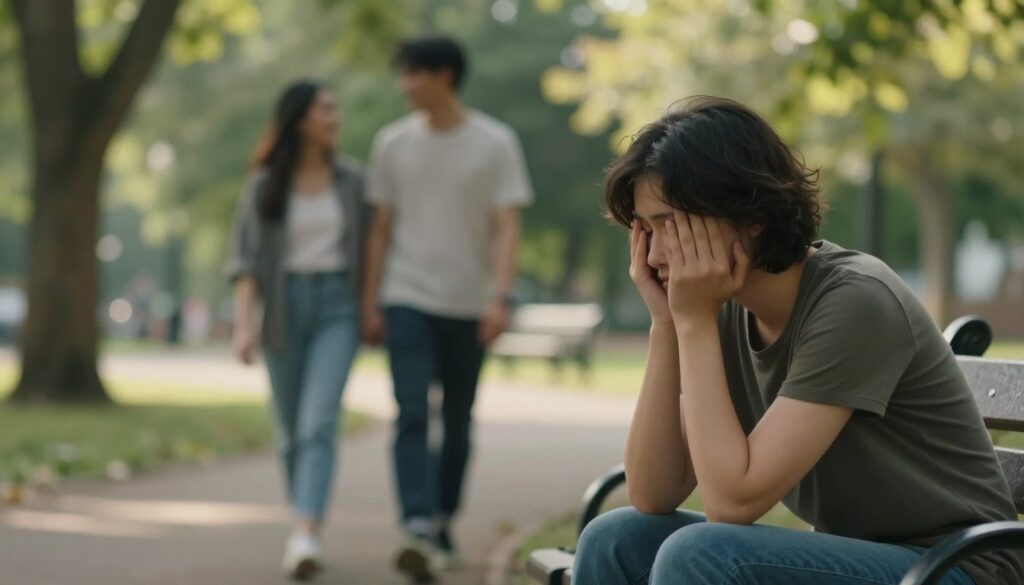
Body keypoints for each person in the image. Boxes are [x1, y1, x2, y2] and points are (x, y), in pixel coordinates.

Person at [572, 96, 1024, 585]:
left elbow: (732, 501)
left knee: (702, 555)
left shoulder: (855, 301)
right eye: (644, 228)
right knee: (615, 538)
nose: (655, 252)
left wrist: (694, 323)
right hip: (863, 557)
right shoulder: (717, 308)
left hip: (958, 568)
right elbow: (653, 493)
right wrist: (667, 326)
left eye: (670, 223)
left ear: (749, 214)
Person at [362, 35, 533, 581]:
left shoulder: (495, 143)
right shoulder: (391, 144)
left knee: (456, 422)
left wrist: (500, 297)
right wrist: (370, 300)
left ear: (446, 77)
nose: (405, 85)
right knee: (411, 410)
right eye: (403, 74)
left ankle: (441, 518)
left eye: (415, 74)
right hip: (406, 296)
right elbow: (380, 230)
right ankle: (415, 521)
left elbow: (507, 225)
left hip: (469, 303)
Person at [226, 80, 366, 581]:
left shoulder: (352, 180)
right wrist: (243, 325)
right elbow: (245, 262)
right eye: (326, 109)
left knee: (318, 423)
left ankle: (305, 531)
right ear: (301, 119)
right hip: (281, 311)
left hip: (337, 308)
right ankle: (303, 521)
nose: (335, 116)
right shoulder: (265, 184)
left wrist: (371, 309)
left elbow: (371, 250)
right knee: (289, 433)